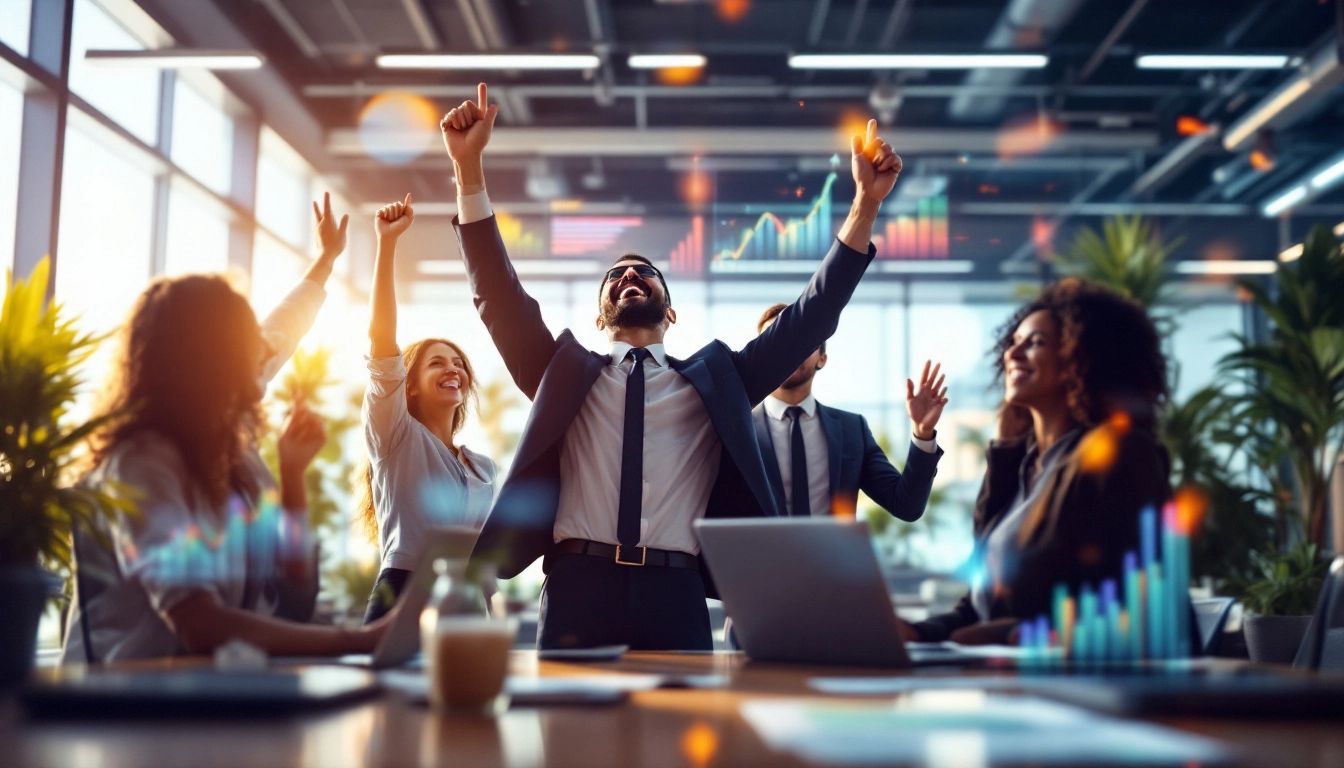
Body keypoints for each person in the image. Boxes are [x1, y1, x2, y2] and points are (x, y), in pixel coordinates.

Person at [441, 82, 903, 650]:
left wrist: (866, 207)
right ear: (600, 314)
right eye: (615, 276)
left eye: (644, 272)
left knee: (681, 735)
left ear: (672, 310)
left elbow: (810, 317)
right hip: (577, 587)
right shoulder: (561, 373)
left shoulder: (718, 381)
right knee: (568, 737)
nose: (628, 276)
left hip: (677, 592)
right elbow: (498, 295)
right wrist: (468, 172)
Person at [64, 195, 391, 662]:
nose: (263, 350)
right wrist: (356, 641)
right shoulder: (143, 462)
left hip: (198, 697)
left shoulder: (228, 446)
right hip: (120, 708)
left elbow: (293, 594)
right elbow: (199, 622)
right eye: (248, 341)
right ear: (212, 360)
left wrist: (293, 475)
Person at [906, 278, 1171, 645]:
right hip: (1016, 684)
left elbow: (1131, 606)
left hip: (1096, 691)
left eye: (1035, 343)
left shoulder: (1117, 453)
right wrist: (914, 633)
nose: (1012, 355)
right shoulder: (1026, 466)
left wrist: (1014, 634)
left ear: (1081, 357)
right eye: (1013, 344)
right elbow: (979, 607)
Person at [358, 193, 497, 623]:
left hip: (467, 596)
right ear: (409, 387)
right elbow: (382, 343)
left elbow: (482, 555)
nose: (453, 369)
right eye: (436, 363)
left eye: (458, 364)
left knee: (470, 692)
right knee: (387, 693)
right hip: (402, 589)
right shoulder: (394, 434)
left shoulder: (483, 467)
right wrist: (387, 245)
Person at [752, 302, 947, 521]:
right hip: (757, 556)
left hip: (831, 556)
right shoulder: (735, 429)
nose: (786, 348)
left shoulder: (852, 431)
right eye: (773, 339)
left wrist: (922, 433)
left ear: (822, 359)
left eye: (799, 336)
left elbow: (906, 506)